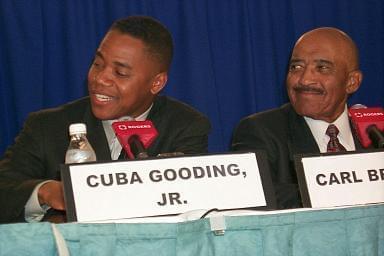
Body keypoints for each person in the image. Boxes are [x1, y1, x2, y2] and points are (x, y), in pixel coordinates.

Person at [0, 16, 211, 223]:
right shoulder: (46, 126)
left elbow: (190, 212)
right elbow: (5, 189)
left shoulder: (186, 126)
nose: (100, 78)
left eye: (120, 73)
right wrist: (45, 192)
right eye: (98, 64)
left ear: (156, 83)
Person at [231, 27, 363, 209]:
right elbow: (255, 198)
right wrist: (347, 191)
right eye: (296, 67)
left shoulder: (375, 133)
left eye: (322, 68)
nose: (304, 80)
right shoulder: (260, 131)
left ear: (351, 82)